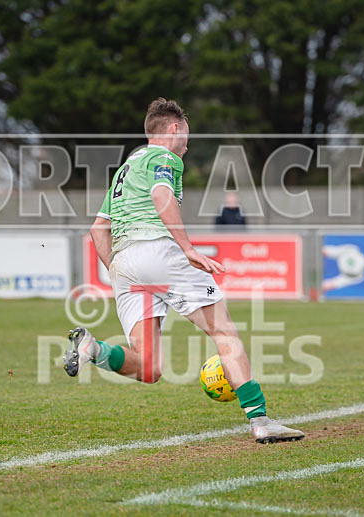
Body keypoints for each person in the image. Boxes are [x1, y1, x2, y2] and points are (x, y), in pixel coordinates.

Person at [63, 97, 304, 443]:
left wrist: (117, 271)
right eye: (187, 132)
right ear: (174, 128)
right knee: (224, 332)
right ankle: (260, 421)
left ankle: (94, 350)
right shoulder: (164, 156)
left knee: (149, 367)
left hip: (126, 263)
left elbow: (98, 229)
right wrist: (188, 248)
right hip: (159, 250)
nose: (188, 142)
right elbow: (162, 196)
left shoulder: (127, 168)